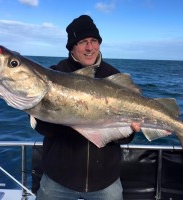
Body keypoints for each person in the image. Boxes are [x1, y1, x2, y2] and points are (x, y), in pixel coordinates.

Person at [33, 15, 140, 200]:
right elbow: (41, 127)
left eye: (94, 41)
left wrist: (128, 131)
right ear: (72, 47)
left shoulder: (114, 77)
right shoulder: (53, 74)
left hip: (105, 182)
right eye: (82, 42)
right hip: (58, 179)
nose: (89, 48)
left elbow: (127, 138)